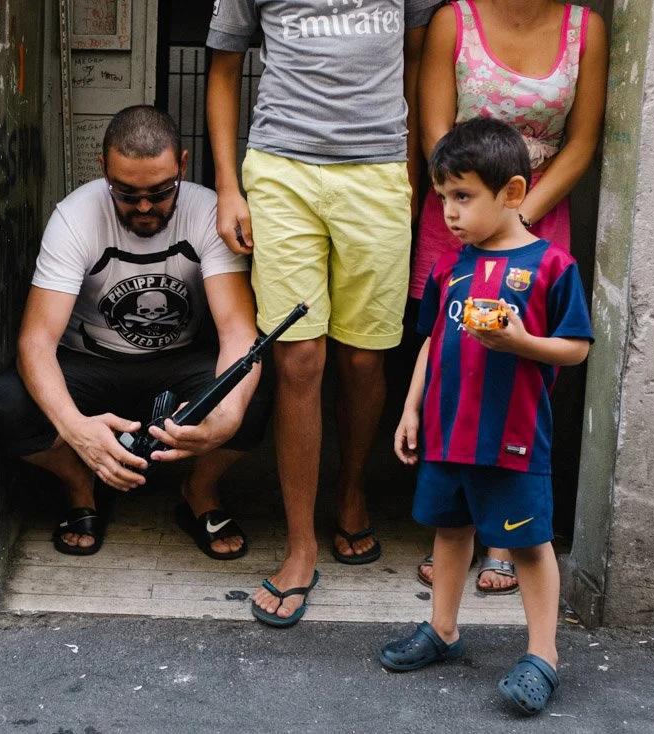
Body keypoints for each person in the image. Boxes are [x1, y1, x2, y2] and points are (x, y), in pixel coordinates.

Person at [206, 0, 443, 627]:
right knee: (300, 356)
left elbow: (415, 62)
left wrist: (410, 174)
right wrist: (229, 186)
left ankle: (352, 489)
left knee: (365, 358)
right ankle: (301, 544)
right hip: (282, 170)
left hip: (379, 173)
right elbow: (223, 70)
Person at [0, 105, 270, 560]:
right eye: (126, 192)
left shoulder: (207, 213)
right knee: (8, 406)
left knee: (250, 394)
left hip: (178, 365)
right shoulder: (75, 216)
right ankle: (81, 485)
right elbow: (34, 342)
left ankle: (199, 491)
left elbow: (238, 330)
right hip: (89, 366)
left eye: (159, 192)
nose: (143, 206)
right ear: (103, 171)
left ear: (182, 164)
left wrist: (228, 415)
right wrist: (76, 430)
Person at [379, 118, 593, 716]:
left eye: (464, 196)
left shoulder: (553, 267)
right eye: (443, 196)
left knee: (529, 545)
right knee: (449, 531)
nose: (449, 211)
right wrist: (411, 410)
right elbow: (430, 345)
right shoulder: (451, 269)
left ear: (514, 193)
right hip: (449, 434)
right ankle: (443, 630)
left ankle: (543, 656)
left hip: (514, 437)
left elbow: (576, 347)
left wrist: (523, 342)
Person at [411, 0, 607, 594]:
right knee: (452, 351)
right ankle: (455, 522)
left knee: (525, 359)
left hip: (535, 210)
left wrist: (520, 217)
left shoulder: (585, 29)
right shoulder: (454, 18)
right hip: (464, 208)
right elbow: (436, 134)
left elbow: (582, 141)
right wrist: (474, 210)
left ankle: (506, 532)